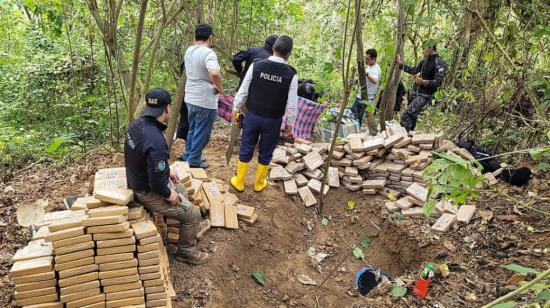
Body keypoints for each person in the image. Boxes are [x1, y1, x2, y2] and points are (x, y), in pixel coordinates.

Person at [124, 88, 210, 265]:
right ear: (167, 109)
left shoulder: (137, 125)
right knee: (193, 214)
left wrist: (166, 171)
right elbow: (157, 182)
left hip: (138, 178)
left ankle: (180, 230)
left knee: (181, 190)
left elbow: (144, 157)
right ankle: (186, 252)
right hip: (145, 190)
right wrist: (167, 193)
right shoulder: (156, 140)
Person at [229, 36, 298, 192]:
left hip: (253, 115)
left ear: (273, 48)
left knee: (247, 145)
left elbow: (243, 91)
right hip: (273, 120)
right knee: (266, 150)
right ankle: (259, 183)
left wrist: (236, 109)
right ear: (288, 54)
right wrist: (290, 123)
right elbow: (292, 103)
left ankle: (239, 181)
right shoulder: (291, 74)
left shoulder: (257, 66)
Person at [181, 24, 223, 168]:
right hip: (204, 99)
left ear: (195, 37)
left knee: (193, 128)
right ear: (210, 37)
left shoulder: (189, 50)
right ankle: (194, 161)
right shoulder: (208, 53)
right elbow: (215, 73)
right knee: (202, 133)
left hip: (190, 97)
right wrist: (219, 87)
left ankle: (188, 155)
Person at [397, 39, 447, 131]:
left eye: (424, 48)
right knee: (412, 116)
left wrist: (423, 82)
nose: (423, 51)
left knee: (407, 114)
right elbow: (414, 70)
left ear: (431, 48)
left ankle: (401, 137)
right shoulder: (424, 61)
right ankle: (409, 138)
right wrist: (400, 65)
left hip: (426, 95)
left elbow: (438, 82)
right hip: (415, 93)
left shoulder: (439, 62)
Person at [350, 49, 381, 127]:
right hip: (362, 94)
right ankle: (356, 132)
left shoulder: (376, 68)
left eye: (368, 59)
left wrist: (366, 74)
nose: (365, 61)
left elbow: (375, 80)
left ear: (374, 59)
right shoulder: (370, 66)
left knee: (354, 113)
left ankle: (356, 132)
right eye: (365, 58)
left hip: (365, 96)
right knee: (356, 114)